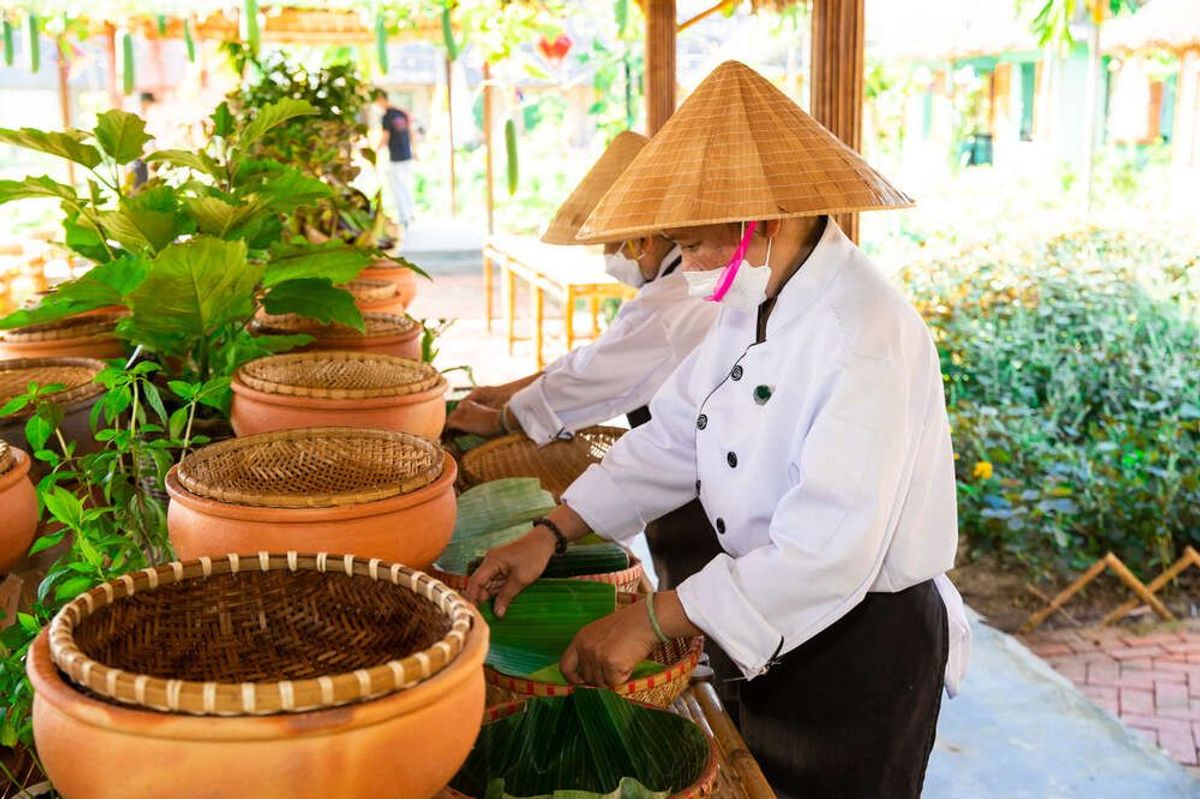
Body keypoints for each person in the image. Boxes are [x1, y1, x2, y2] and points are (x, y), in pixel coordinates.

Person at [466, 61, 970, 799]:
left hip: (863, 645)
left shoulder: (864, 332)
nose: (689, 264)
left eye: (698, 244)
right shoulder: (753, 298)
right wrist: (550, 533)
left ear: (764, 222)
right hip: (766, 615)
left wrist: (655, 616)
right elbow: (673, 437)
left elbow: (826, 550)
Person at [445, 131, 723, 596]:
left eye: (610, 245)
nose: (608, 257)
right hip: (683, 467)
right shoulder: (673, 288)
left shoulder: (677, 298)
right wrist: (513, 391)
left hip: (705, 496)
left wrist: (504, 416)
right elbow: (598, 361)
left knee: (695, 591)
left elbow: (593, 378)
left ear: (641, 239)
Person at [374, 91, 416, 234]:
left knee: (397, 188)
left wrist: (374, 151)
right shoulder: (401, 113)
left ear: (381, 99)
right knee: (405, 186)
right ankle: (410, 214)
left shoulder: (387, 117)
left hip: (396, 157)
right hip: (407, 155)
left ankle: (404, 217)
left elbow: (385, 137)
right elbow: (411, 133)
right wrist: (415, 151)